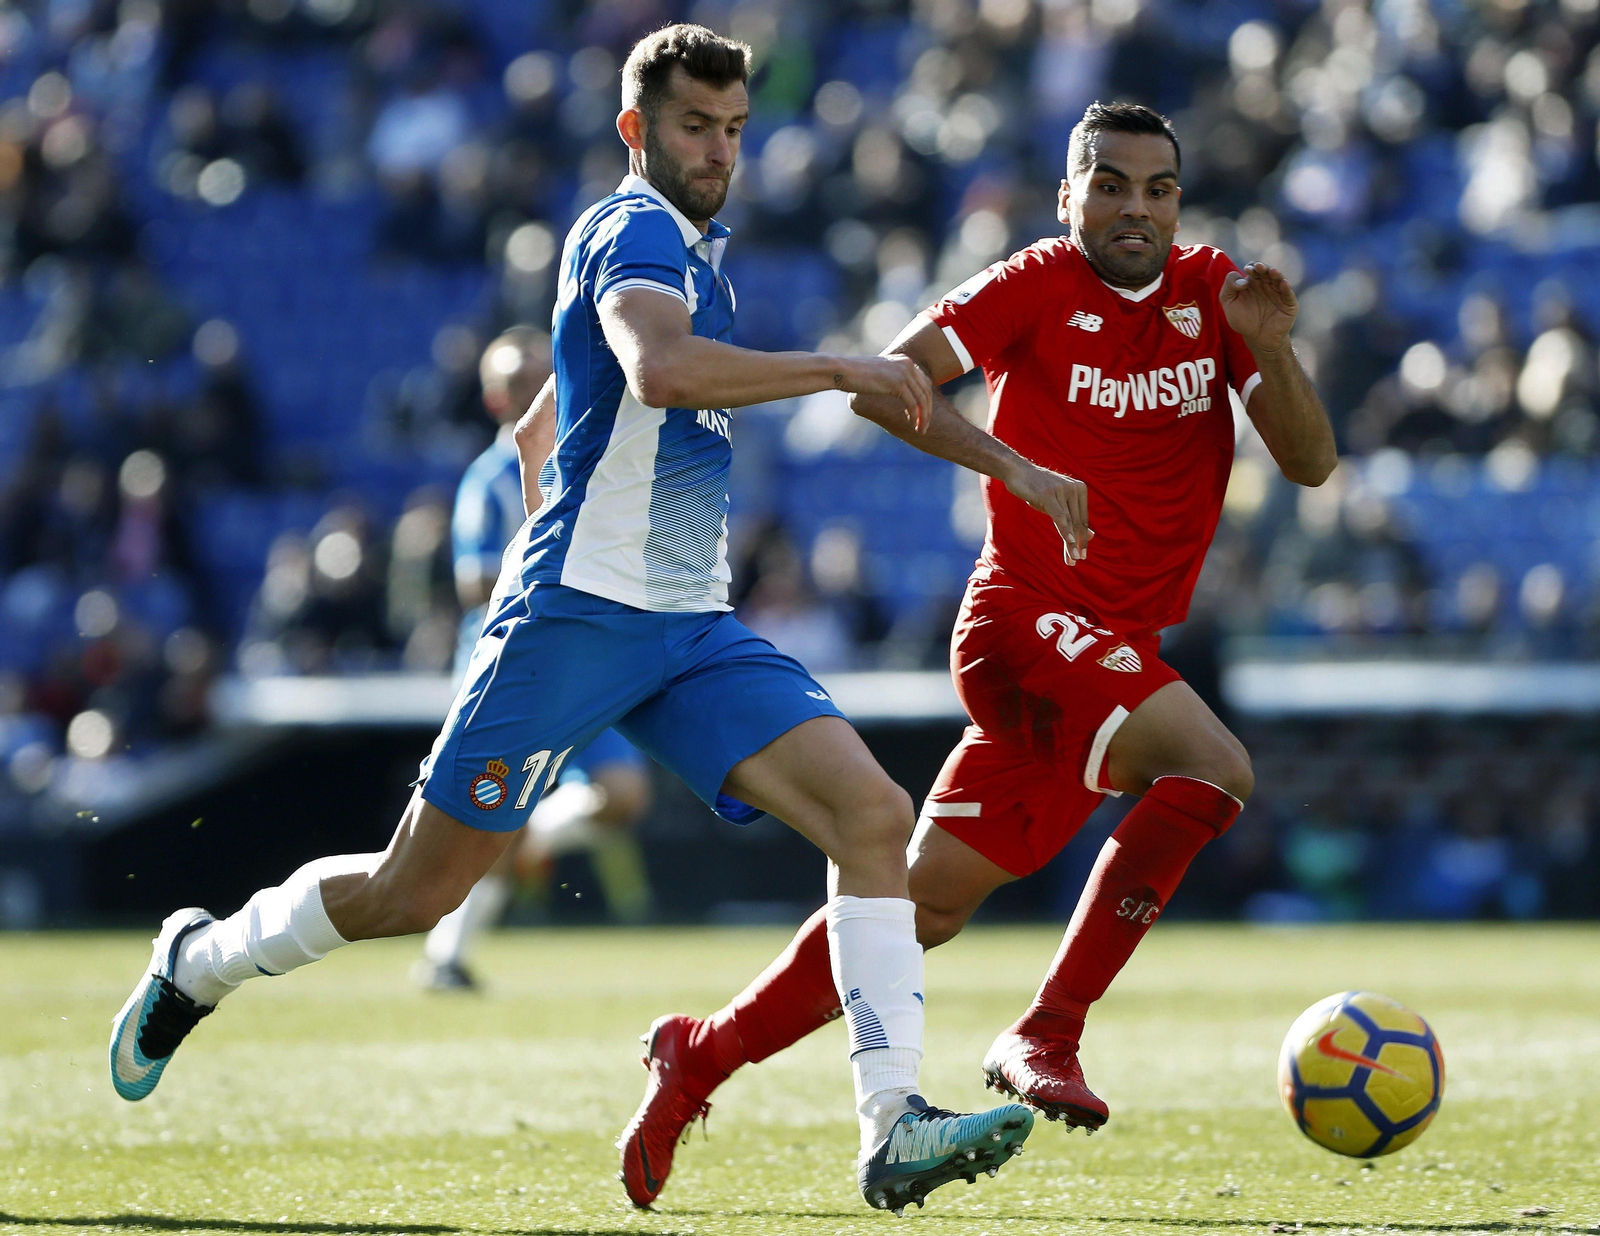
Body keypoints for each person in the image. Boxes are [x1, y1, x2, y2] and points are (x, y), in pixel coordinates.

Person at [109, 25, 1087, 1215]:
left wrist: (1016, 470)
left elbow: (557, 423)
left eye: (733, 129)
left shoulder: (698, 254)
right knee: (413, 896)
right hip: (576, 617)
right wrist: (829, 369)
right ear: (637, 130)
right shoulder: (629, 231)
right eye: (694, 126)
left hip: (686, 626)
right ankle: (199, 960)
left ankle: (893, 1124)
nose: (719, 149)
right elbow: (662, 371)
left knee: (874, 817)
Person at [617, 100, 1337, 1203]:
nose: (1134, 206)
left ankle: (697, 1055)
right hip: (1024, 622)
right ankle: (1047, 1030)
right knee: (1212, 767)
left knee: (918, 910)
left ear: (1178, 201)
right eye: (1109, 184)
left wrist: (1273, 350)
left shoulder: (1215, 293)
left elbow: (1309, 464)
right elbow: (890, 382)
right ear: (1069, 197)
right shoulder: (1032, 283)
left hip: (1110, 650)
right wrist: (1016, 471)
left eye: (1156, 188)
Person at [415, 328, 654, 992]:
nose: (531, 391)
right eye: (516, 381)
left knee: (623, 797)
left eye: (538, 378)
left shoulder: (588, 457)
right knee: (489, 817)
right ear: (494, 398)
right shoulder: (488, 479)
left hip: (581, 661)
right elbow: (472, 586)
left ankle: (535, 838)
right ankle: (445, 956)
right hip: (514, 668)